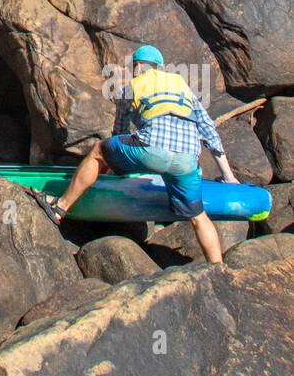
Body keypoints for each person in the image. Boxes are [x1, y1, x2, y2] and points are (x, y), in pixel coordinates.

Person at [33, 44, 237, 263]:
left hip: (151, 151)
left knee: (99, 150)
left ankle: (59, 208)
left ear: (138, 66)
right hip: (187, 159)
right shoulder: (182, 87)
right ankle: (218, 268)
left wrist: (111, 170)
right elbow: (209, 132)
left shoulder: (132, 87)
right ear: (159, 67)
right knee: (198, 217)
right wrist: (229, 177)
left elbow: (119, 131)